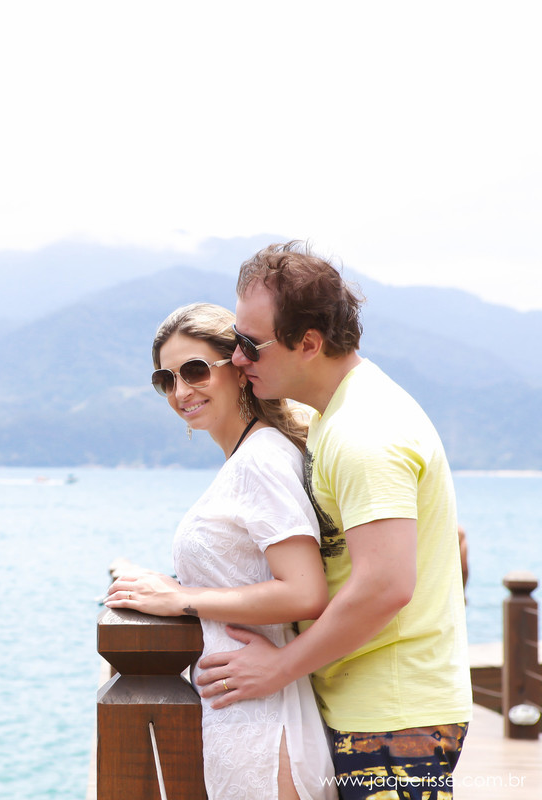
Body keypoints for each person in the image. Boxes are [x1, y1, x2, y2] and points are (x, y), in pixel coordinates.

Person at [195, 241, 471, 799]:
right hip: (376, 707)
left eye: (249, 344)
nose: (238, 359)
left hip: (394, 718)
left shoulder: (365, 433)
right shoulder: (338, 414)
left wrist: (279, 669)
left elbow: (386, 585)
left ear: (309, 343)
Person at [105, 302, 337, 800]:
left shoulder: (261, 460)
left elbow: (304, 591)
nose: (181, 391)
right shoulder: (245, 459)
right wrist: (174, 586)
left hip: (264, 719)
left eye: (194, 371)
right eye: (166, 380)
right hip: (237, 708)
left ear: (236, 367)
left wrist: (181, 600)